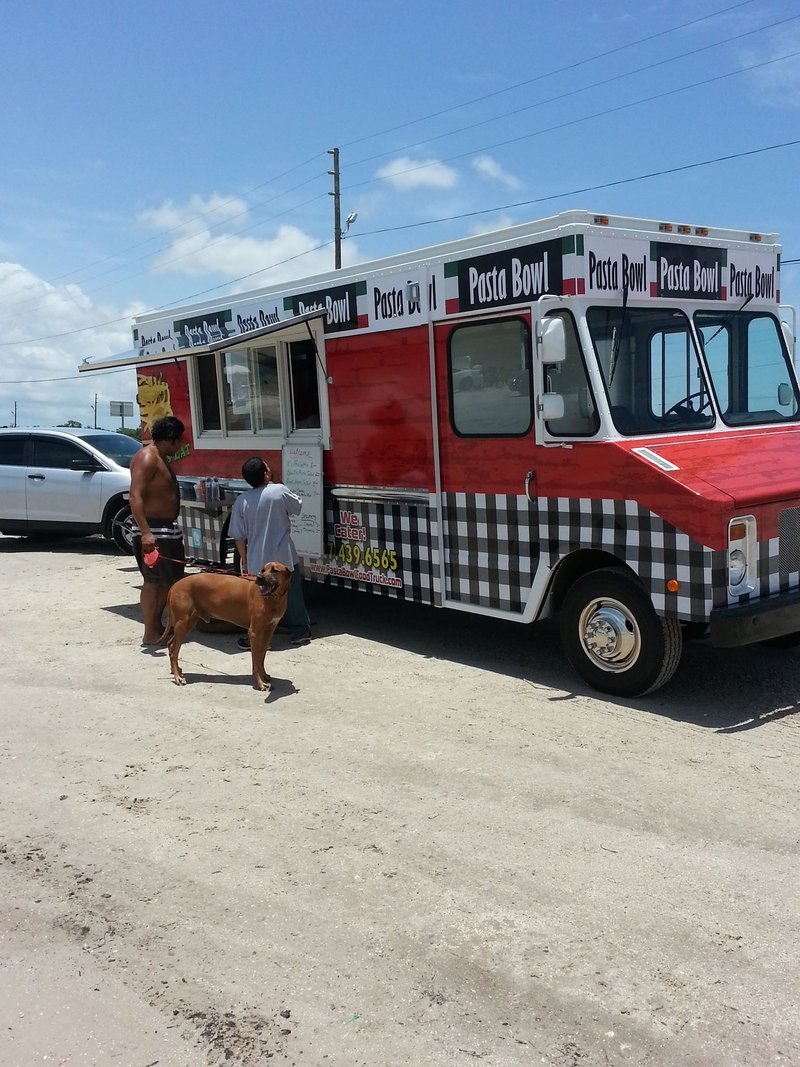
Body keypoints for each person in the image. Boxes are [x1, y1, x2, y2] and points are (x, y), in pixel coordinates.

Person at [229, 456, 311, 647]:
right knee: (291, 594)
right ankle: (299, 631)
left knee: (260, 598)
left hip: (258, 560)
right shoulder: (278, 491)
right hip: (283, 558)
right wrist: (278, 480)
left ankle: (256, 634)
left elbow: (238, 535)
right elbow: (297, 507)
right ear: (266, 473)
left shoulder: (242, 501)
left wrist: (244, 558)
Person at [129, 416, 186, 645]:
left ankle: (157, 625)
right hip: (153, 529)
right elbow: (135, 495)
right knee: (153, 581)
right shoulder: (147, 457)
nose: (180, 445)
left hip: (167, 530)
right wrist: (145, 532)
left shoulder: (161, 458)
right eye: (179, 441)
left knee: (169, 580)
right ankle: (149, 632)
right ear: (170, 439)